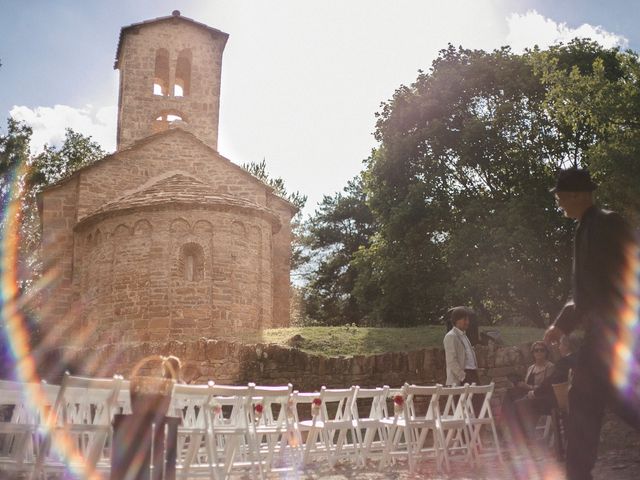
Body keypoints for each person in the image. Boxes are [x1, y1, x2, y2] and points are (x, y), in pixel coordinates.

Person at [543, 167, 640, 480]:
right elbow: (583, 293)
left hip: (619, 331)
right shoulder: (583, 228)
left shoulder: (609, 223)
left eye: (560, 196)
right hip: (603, 332)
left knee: (588, 398)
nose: (558, 202)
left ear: (576, 195)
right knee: (600, 399)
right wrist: (561, 325)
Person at [514, 334, 579, 438]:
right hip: (574, 398)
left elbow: (550, 383)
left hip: (560, 401)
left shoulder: (564, 362)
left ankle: (522, 437)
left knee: (520, 404)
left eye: (561, 344)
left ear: (567, 346)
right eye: (536, 350)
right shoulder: (580, 359)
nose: (559, 347)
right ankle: (527, 435)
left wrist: (534, 393)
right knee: (517, 398)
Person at [501, 341, 554, 442]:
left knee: (517, 404)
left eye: (541, 350)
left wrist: (528, 386)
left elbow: (546, 388)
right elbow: (525, 385)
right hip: (528, 392)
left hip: (540, 395)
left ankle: (519, 435)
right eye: (536, 350)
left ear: (546, 352)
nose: (538, 353)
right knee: (509, 395)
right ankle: (505, 427)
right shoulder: (531, 368)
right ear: (532, 353)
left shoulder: (549, 367)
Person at [443, 306, 480, 386]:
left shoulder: (464, 336)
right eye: (465, 320)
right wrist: (462, 376)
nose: (468, 322)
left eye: (468, 320)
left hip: (472, 373)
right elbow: (451, 360)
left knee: (480, 398)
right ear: (457, 320)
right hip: (462, 377)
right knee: (465, 398)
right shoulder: (450, 336)